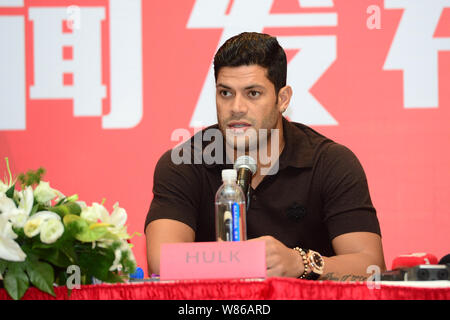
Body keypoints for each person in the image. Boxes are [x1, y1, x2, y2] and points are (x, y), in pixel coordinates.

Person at [145, 32, 386, 280]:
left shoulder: (330, 162)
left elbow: (371, 266)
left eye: (253, 93)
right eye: (225, 93)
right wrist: (235, 261)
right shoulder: (184, 163)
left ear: (282, 99)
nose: (236, 107)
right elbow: (163, 262)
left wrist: (300, 263)